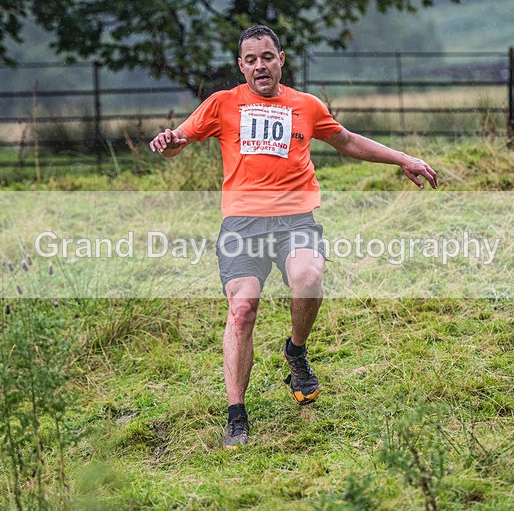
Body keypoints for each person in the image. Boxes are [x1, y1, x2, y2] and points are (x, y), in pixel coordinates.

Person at [149, 25, 437, 449]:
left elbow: (348, 141)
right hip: (242, 226)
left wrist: (402, 159)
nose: (260, 65)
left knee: (308, 276)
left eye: (267, 56)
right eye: (250, 59)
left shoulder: (306, 105)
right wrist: (168, 142)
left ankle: (296, 352)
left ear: (281, 60)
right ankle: (237, 416)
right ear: (241, 66)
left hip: (294, 221)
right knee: (242, 309)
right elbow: (180, 141)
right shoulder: (221, 104)